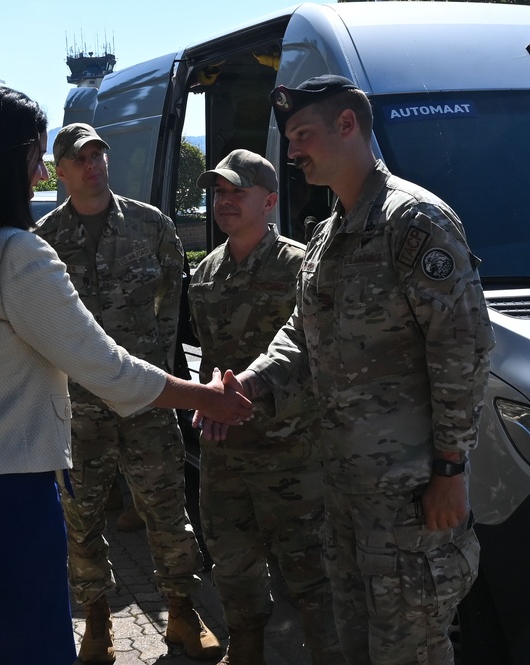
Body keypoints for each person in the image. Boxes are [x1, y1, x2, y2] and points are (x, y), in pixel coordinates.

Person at [0, 85, 252, 665]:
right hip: (3, 497)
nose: (36, 179)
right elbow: (105, 366)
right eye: (33, 162)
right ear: (6, 163)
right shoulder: (16, 254)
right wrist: (207, 397)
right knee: (29, 645)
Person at [200, 75, 494, 665]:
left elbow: (462, 348)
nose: (292, 151)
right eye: (289, 138)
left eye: (303, 134)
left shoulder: (413, 222)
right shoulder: (329, 235)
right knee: (353, 647)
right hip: (344, 496)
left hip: (410, 499)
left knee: (411, 648)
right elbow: (301, 338)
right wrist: (247, 383)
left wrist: (452, 469)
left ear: (347, 125)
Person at [35, 123, 222, 663]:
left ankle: (183, 615)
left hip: (145, 403)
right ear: (60, 171)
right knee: (81, 518)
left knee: (166, 510)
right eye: (80, 159)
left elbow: (170, 305)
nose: (94, 165)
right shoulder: (43, 242)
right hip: (77, 408)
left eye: (99, 155)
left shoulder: (151, 226)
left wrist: (157, 366)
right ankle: (97, 623)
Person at [189, 149, 341, 665]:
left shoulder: (302, 266)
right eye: (218, 193)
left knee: (311, 573)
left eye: (237, 192)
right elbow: (211, 356)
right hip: (226, 451)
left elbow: (315, 354)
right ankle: (246, 648)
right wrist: (208, 394)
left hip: (291, 451)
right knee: (232, 561)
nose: (224, 202)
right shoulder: (206, 273)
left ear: (270, 201)